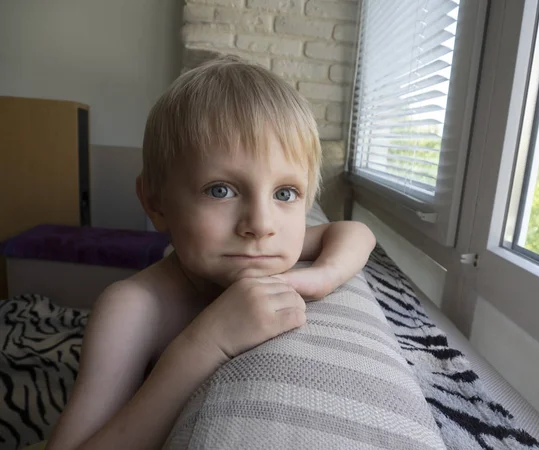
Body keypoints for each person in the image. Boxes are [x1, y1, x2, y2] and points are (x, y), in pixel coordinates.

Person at [45, 56, 376, 450]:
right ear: (155, 203)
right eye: (221, 190)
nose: (261, 222)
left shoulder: (264, 248)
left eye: (285, 193)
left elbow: (356, 233)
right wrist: (207, 343)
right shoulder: (132, 308)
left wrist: (322, 278)